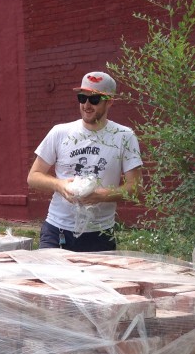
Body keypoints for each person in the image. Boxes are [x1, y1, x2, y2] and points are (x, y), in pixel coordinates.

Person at [27, 71, 143, 251]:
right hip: (57, 230)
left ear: (109, 101)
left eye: (94, 99)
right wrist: (59, 185)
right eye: (82, 98)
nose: (86, 105)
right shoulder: (60, 132)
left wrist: (100, 195)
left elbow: (135, 187)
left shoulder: (124, 137)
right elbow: (33, 176)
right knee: (51, 278)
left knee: (96, 280)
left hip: (99, 234)